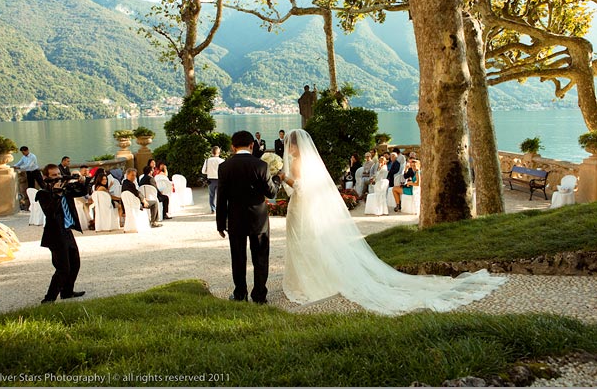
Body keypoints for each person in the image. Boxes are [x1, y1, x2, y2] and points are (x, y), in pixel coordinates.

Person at [277, 129, 506, 315]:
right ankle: (312, 275)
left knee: (303, 241)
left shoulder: (297, 162)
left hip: (301, 206)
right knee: (309, 241)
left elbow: (299, 187)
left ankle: (307, 280)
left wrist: (283, 177)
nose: (289, 148)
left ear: (295, 146)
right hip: (306, 206)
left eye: (290, 144)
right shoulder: (309, 162)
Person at [216, 130, 280, 304]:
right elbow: (271, 192)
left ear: (232, 146)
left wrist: (220, 224)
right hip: (258, 219)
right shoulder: (260, 165)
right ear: (252, 145)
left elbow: (221, 198)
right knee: (260, 257)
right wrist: (277, 179)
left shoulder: (224, 166)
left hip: (235, 219)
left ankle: (240, 293)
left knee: (238, 258)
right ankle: (259, 295)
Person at [35, 164, 87, 303]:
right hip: (55, 234)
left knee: (75, 263)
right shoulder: (43, 194)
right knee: (63, 268)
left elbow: (81, 192)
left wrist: (82, 181)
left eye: (58, 174)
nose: (57, 177)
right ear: (45, 177)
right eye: (53, 175)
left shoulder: (66, 189)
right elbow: (50, 212)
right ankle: (49, 299)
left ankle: (67, 292)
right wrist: (57, 194)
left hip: (67, 231)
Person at [12, 146, 45, 210]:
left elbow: (29, 165)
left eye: (23, 152)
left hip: (35, 171)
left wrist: (19, 168)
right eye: (22, 152)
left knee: (41, 184)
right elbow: (19, 163)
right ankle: (32, 200)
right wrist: (14, 166)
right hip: (29, 173)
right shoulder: (23, 157)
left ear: (27, 150)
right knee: (30, 186)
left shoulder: (33, 156)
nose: (23, 153)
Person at [202, 146, 224, 214]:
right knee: (220, 195)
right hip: (220, 179)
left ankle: (213, 209)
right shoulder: (222, 160)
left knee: (211, 195)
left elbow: (203, 171)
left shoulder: (208, 160)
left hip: (211, 180)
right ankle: (220, 208)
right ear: (219, 152)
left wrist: (208, 172)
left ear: (212, 152)